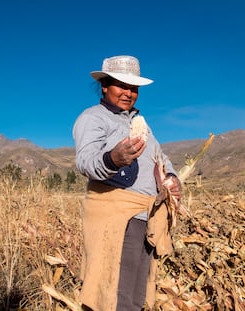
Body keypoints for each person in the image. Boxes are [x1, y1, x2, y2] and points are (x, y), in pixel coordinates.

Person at [73, 55, 182, 311]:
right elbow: (85, 161)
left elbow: (160, 157)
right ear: (105, 86)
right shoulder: (94, 118)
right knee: (116, 289)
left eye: (133, 88)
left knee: (137, 288)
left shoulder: (139, 123)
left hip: (145, 215)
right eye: (121, 85)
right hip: (119, 214)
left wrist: (172, 178)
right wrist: (113, 158)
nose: (128, 93)